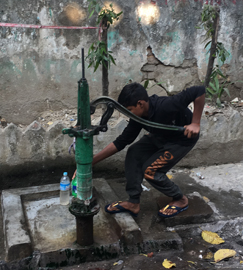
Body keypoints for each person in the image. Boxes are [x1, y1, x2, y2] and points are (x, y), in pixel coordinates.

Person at [74, 82, 205, 218]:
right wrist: (92, 161)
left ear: (141, 104)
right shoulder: (138, 117)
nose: (129, 115)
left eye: (130, 110)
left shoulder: (166, 106)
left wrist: (195, 123)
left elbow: (199, 90)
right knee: (134, 152)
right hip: (161, 135)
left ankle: (180, 199)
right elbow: (121, 142)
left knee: (151, 171)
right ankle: (133, 203)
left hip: (182, 139)